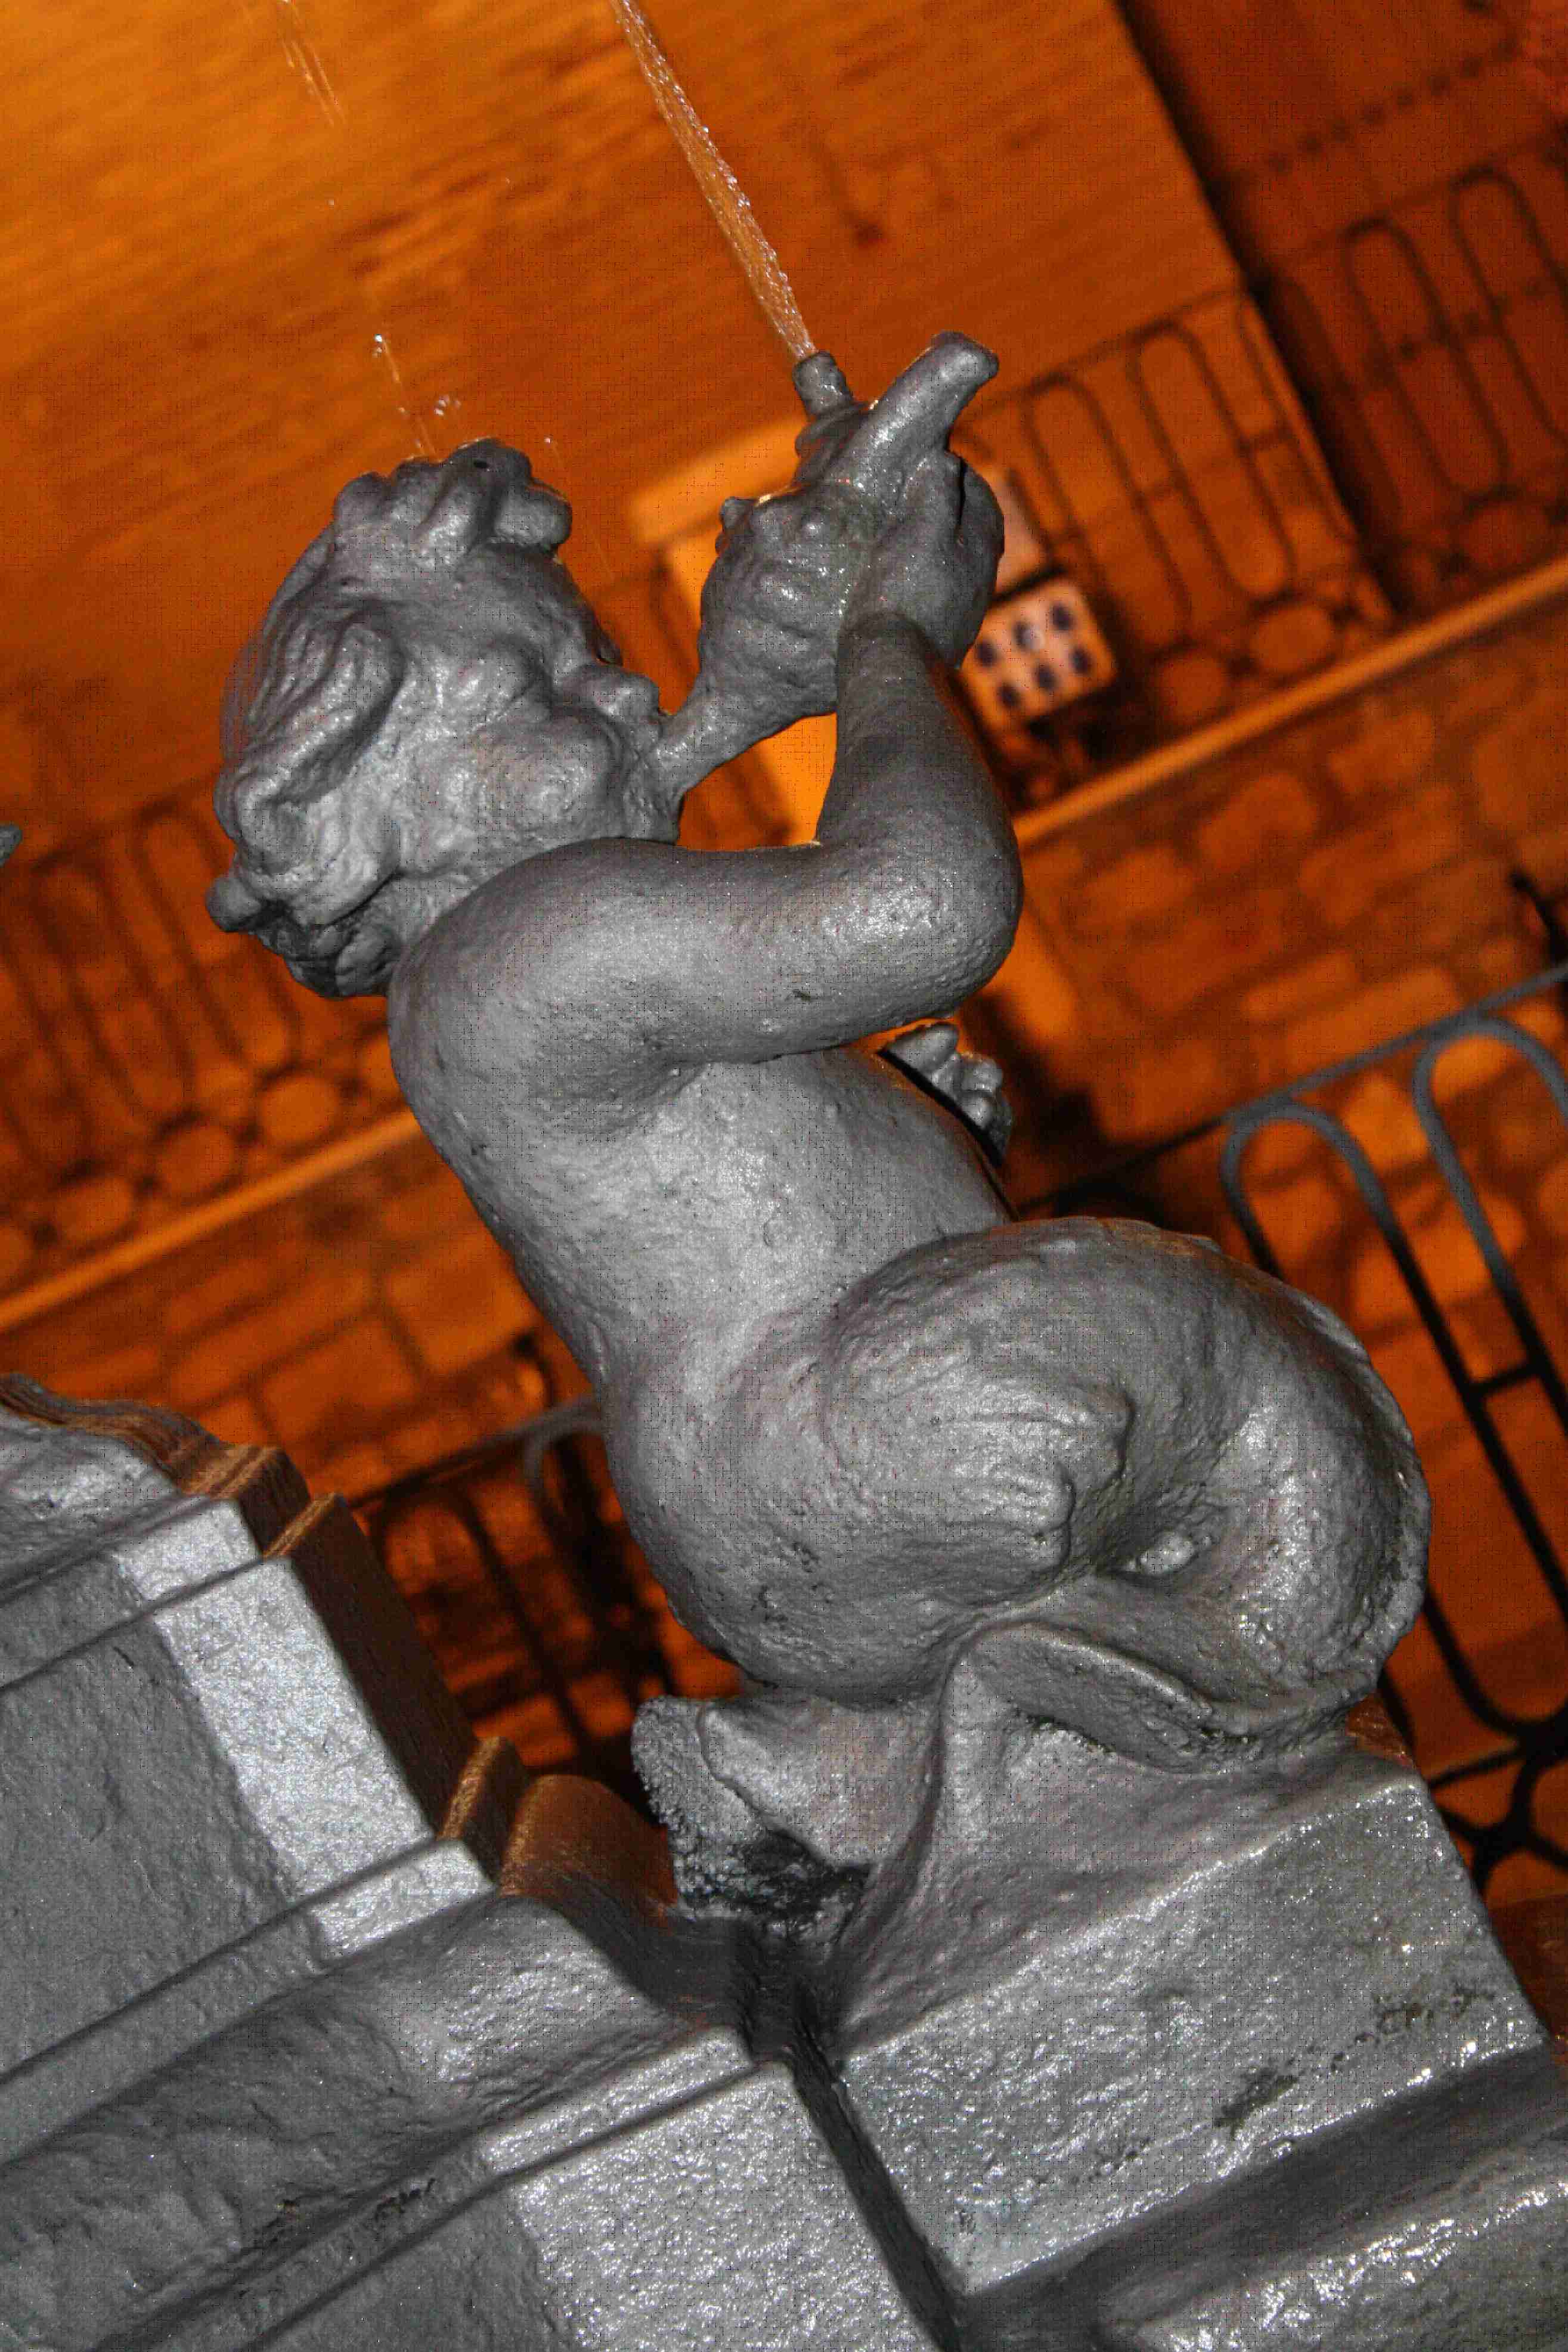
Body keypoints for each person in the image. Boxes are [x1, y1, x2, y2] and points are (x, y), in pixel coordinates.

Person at [211, 336, 1426, 1900]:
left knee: (1210, 1381)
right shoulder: (521, 954)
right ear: (374, 820)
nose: (622, 691)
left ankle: (882, 1755)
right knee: (1235, 1372)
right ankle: (1090, 1711)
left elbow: (639, 811)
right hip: (843, 1438)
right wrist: (889, 643)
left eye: (597, 654)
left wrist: (762, 686)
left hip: (808, 1463)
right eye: (539, 693)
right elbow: (927, 908)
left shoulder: (495, 960)